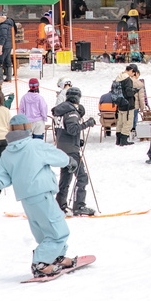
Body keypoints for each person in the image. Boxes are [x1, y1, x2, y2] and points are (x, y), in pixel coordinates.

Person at [0, 113, 81, 279]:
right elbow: (57, 157)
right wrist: (70, 162)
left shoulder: (7, 153)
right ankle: (41, 264)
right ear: (27, 129)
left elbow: (0, 178)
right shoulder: (35, 145)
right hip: (42, 194)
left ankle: (55, 257)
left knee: (44, 232)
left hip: (26, 200)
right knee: (58, 231)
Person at [52, 87, 96, 216]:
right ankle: (79, 205)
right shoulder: (71, 112)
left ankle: (60, 204)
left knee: (66, 177)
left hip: (62, 147)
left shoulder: (60, 111)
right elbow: (72, 129)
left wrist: (77, 140)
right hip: (71, 151)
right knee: (82, 177)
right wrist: (87, 124)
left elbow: (63, 130)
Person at [111, 64, 139, 146]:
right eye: (133, 73)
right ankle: (124, 140)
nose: (133, 75)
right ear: (132, 71)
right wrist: (135, 90)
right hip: (128, 105)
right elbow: (129, 92)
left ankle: (118, 139)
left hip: (120, 104)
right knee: (127, 123)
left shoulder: (118, 77)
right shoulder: (127, 79)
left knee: (120, 122)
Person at [0, 12, 15, 82]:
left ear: (2, 17)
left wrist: (0, 47)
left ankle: (0, 78)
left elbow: (3, 37)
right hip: (9, 45)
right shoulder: (10, 24)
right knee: (7, 61)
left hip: (4, 46)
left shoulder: (3, 26)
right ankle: (9, 77)